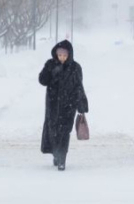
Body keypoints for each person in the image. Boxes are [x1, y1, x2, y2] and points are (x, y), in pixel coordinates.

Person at [38, 40, 88, 171]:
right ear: (56, 54)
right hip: (53, 105)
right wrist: (50, 71)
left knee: (65, 132)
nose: (62, 58)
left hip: (68, 106)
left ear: (69, 55)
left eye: (65, 55)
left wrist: (81, 105)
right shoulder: (50, 64)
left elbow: (79, 86)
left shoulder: (75, 67)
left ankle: (62, 159)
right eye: (59, 55)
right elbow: (42, 81)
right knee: (53, 132)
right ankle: (56, 153)